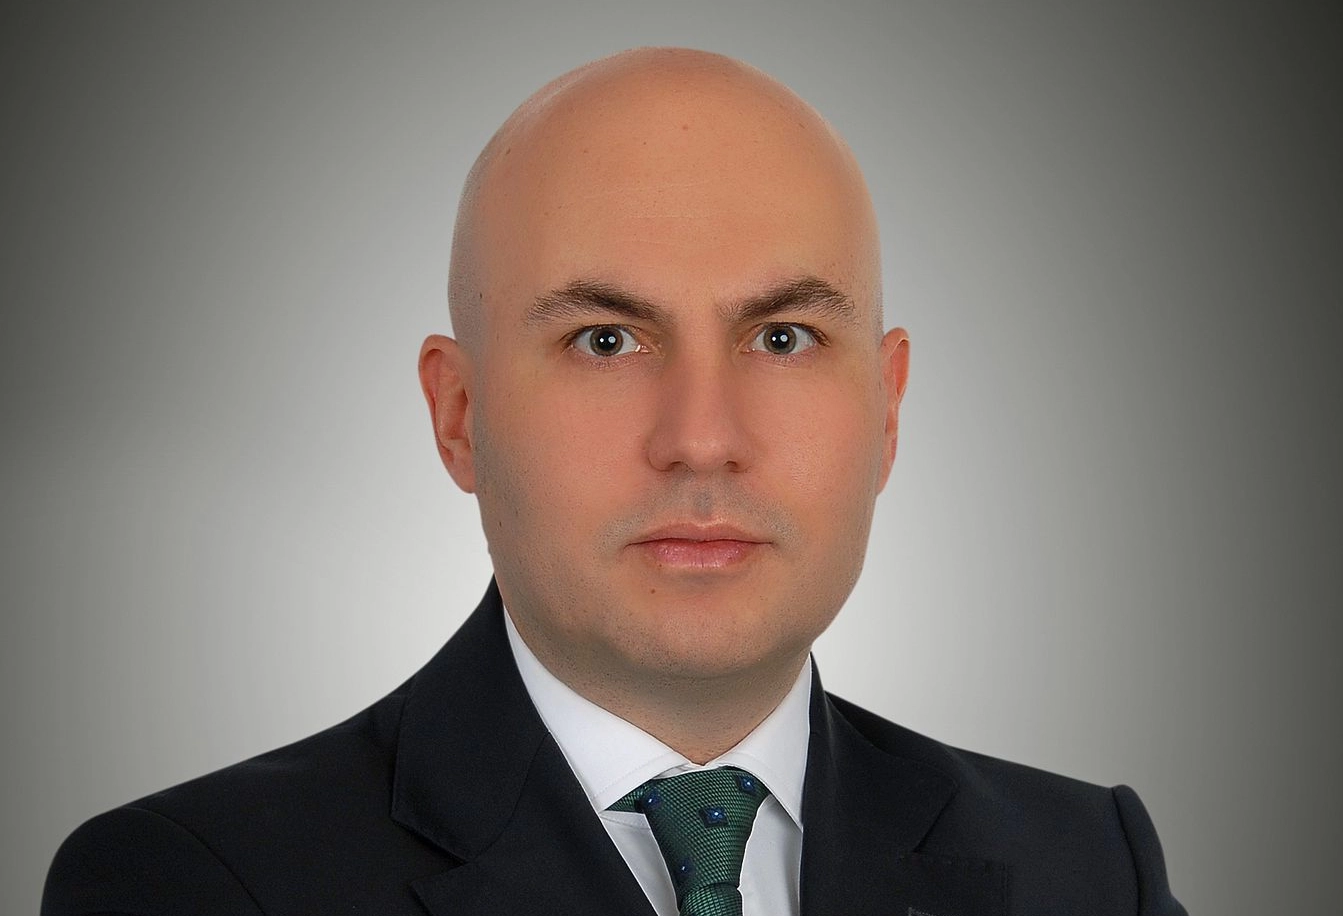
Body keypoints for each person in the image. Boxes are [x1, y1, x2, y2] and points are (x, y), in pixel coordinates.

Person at [43, 47, 1186, 916]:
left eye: (782, 337)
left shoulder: (1091, 870)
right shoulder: (191, 883)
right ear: (459, 416)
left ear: (887, 410)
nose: (702, 439)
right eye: (606, 340)